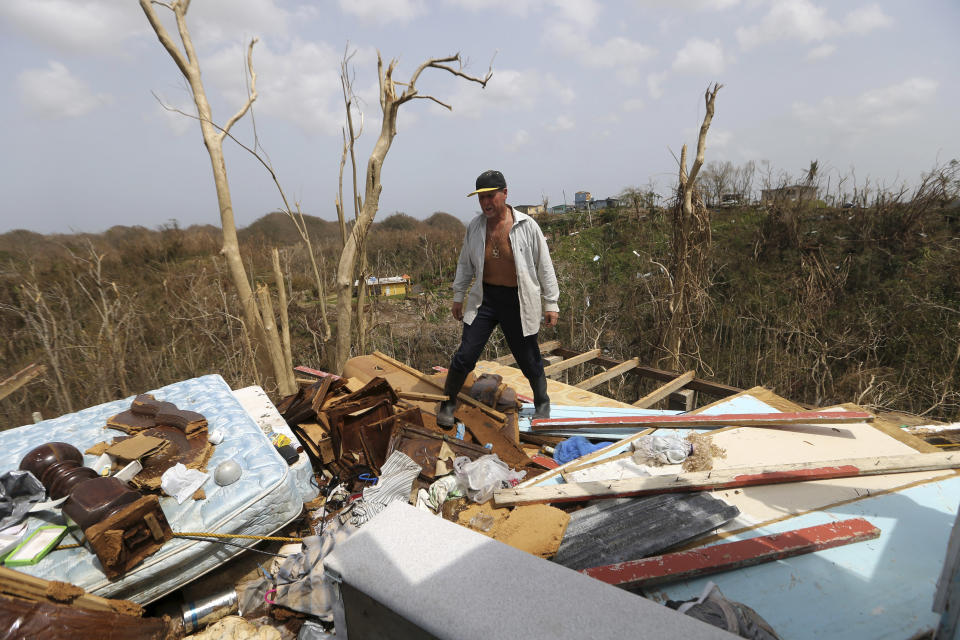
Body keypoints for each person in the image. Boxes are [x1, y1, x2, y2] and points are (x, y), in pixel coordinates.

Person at [437, 169, 560, 427]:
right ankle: (448, 403)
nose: (485, 203)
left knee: (528, 355)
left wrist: (552, 303)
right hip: (486, 298)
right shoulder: (475, 227)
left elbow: (544, 266)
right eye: (481, 198)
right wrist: (458, 296)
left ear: (505, 193)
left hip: (518, 299)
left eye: (490, 196)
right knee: (466, 354)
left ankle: (542, 402)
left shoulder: (527, 226)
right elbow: (465, 264)